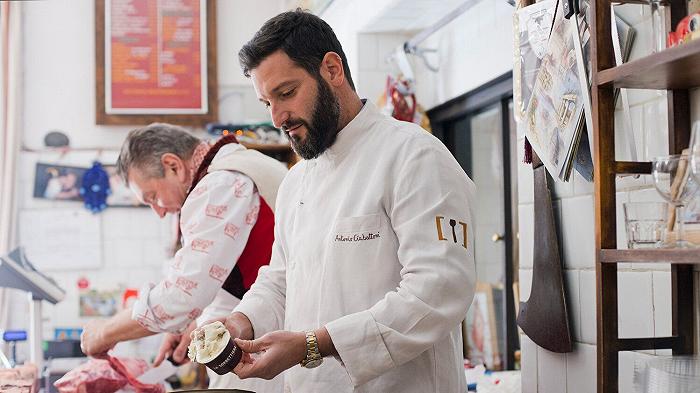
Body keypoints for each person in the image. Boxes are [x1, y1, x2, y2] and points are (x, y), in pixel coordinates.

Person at [223, 9, 477, 392]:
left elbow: (439, 289)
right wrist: (241, 321)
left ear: (332, 70)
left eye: (286, 93)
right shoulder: (297, 183)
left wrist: (314, 344)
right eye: (266, 103)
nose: (277, 117)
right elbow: (279, 282)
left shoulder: (414, 155)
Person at [80, 123, 286, 392]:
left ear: (173, 166)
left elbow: (181, 295)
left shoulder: (222, 183)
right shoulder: (234, 167)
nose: (159, 211)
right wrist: (191, 323)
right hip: (272, 329)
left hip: (278, 340)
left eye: (153, 196)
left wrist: (105, 332)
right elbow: (226, 280)